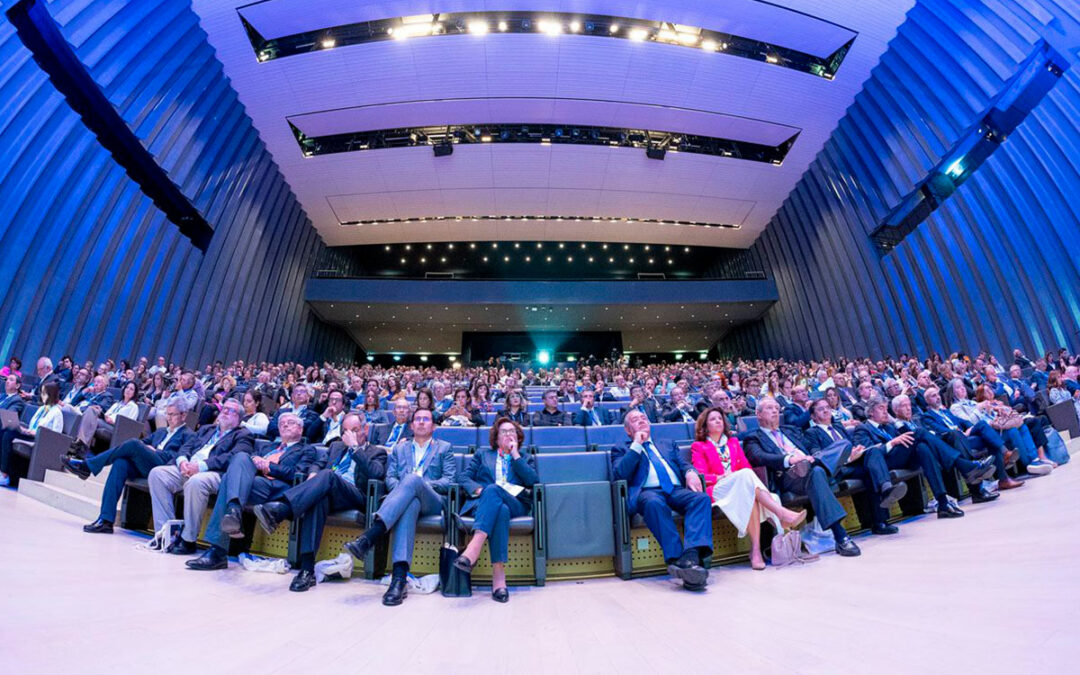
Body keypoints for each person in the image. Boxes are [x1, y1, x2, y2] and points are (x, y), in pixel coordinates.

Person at [253, 414, 388, 592]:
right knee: (319, 496)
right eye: (346, 431)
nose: (350, 435)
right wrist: (313, 474)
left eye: (355, 431)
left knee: (328, 476)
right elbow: (318, 463)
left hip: (355, 496)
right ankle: (306, 570)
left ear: (366, 429)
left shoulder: (377, 452)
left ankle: (281, 511)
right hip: (328, 491)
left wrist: (355, 448)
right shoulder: (336, 446)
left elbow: (376, 474)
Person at [343, 408, 456, 606]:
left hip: (433, 500)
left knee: (412, 480)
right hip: (407, 502)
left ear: (434, 426)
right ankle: (399, 579)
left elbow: (449, 481)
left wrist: (418, 485)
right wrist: (407, 489)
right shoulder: (399, 449)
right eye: (417, 419)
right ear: (411, 426)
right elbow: (390, 478)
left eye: (426, 419)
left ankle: (371, 536)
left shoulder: (444, 448)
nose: (421, 422)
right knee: (409, 504)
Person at [187, 412, 316, 571]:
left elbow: (297, 473)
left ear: (300, 429)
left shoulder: (307, 450)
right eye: (282, 423)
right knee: (240, 457)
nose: (284, 425)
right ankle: (233, 510)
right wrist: (255, 460)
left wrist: (269, 466)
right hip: (251, 483)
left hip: (276, 486)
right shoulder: (266, 446)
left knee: (229, 481)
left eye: (290, 422)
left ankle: (218, 549)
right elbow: (246, 461)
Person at [742, 398, 861, 557]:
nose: (775, 411)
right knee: (816, 470)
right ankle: (841, 537)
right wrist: (789, 460)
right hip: (788, 475)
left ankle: (841, 536)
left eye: (777, 408)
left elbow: (812, 447)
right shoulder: (753, 437)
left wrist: (822, 457)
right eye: (770, 408)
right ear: (758, 414)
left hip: (810, 467)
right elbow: (758, 457)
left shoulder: (790, 430)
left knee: (843, 445)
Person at [690, 408, 805, 569]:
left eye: (720, 418)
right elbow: (700, 475)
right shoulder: (699, 446)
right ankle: (780, 512)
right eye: (713, 419)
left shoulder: (733, 442)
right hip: (718, 488)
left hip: (740, 486)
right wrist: (719, 477)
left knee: (748, 487)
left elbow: (746, 467)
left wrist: (740, 478)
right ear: (704, 426)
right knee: (745, 477)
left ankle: (756, 551)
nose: (718, 421)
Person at [611, 410, 712, 591]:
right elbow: (620, 474)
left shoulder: (666, 443)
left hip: (676, 489)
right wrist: (636, 445)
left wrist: (690, 472)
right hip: (648, 492)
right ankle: (675, 558)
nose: (641, 421)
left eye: (644, 418)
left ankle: (690, 556)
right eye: (635, 420)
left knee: (701, 499)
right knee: (654, 503)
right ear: (628, 430)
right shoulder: (622, 448)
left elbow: (683, 464)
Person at [64, 403, 195, 534]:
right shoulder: (161, 431)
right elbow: (143, 445)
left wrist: (153, 452)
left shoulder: (188, 435)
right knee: (120, 463)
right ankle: (106, 520)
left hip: (162, 468)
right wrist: (145, 450)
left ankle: (87, 466)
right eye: (167, 414)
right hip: (145, 465)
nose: (168, 418)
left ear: (183, 415)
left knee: (133, 443)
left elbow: (175, 457)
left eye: (172, 414)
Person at [145, 399, 254, 554]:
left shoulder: (244, 435)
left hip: (214, 473)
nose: (225, 412)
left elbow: (233, 458)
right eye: (224, 409)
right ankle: (167, 535)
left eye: (231, 411)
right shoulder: (206, 429)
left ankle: (188, 539)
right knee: (157, 474)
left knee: (196, 482)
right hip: (189, 468)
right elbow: (186, 447)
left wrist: (201, 466)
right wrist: (183, 461)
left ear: (239, 418)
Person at [454, 418, 539, 602]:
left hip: (516, 502)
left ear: (518, 437)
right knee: (500, 509)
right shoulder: (482, 455)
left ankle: (473, 549)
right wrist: (478, 490)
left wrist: (515, 455)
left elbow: (533, 481)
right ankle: (499, 575)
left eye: (512, 431)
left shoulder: (524, 457)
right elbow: (464, 477)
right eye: (504, 431)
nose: (508, 434)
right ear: (496, 436)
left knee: (494, 489)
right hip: (489, 504)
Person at [802, 398, 905, 535]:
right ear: (813, 417)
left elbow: (853, 444)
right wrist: (848, 457)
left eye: (827, 407)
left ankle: (883, 504)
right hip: (837, 470)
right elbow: (818, 455)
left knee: (872, 456)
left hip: (853, 463)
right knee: (871, 470)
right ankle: (882, 510)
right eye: (821, 409)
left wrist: (858, 451)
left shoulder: (838, 427)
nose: (826, 410)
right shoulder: (811, 433)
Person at [919, 385, 1025, 490]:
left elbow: (965, 422)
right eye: (933, 396)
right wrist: (959, 433)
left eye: (938, 394)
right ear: (927, 400)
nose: (938, 397)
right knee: (985, 431)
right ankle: (1005, 457)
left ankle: (1004, 479)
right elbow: (939, 430)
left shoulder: (945, 412)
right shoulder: (927, 416)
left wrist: (970, 429)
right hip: (954, 443)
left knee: (988, 437)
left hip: (966, 438)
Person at [951, 379, 1054, 475]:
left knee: (1021, 426)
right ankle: (1028, 463)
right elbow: (969, 423)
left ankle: (1035, 459)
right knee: (1013, 430)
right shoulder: (955, 407)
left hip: (994, 425)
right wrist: (978, 408)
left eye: (963, 386)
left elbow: (987, 415)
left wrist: (995, 410)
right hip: (986, 433)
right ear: (952, 392)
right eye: (958, 387)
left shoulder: (972, 402)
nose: (962, 388)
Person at [0, 382, 63, 486]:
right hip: (30, 434)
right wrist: (25, 429)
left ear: (51, 394)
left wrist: (36, 433)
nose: (42, 396)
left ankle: (4, 475)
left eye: (44, 393)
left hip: (40, 439)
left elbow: (56, 435)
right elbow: (33, 425)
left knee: (8, 435)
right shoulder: (42, 408)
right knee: (5, 430)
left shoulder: (57, 412)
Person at [78, 380, 140, 453]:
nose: (128, 390)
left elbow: (129, 425)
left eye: (131, 389)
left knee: (93, 420)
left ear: (134, 393)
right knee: (91, 409)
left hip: (116, 428)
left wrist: (113, 422)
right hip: (106, 422)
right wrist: (101, 412)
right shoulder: (117, 404)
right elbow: (107, 414)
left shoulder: (133, 407)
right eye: (127, 387)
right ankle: (81, 442)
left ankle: (82, 444)